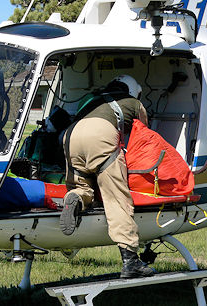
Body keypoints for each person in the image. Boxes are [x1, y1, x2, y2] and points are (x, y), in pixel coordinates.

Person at [60, 74, 154, 279]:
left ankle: (75, 198)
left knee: (82, 185)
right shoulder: (134, 103)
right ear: (132, 90)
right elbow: (146, 138)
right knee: (117, 199)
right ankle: (131, 262)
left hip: (71, 136)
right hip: (100, 136)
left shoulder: (92, 100)